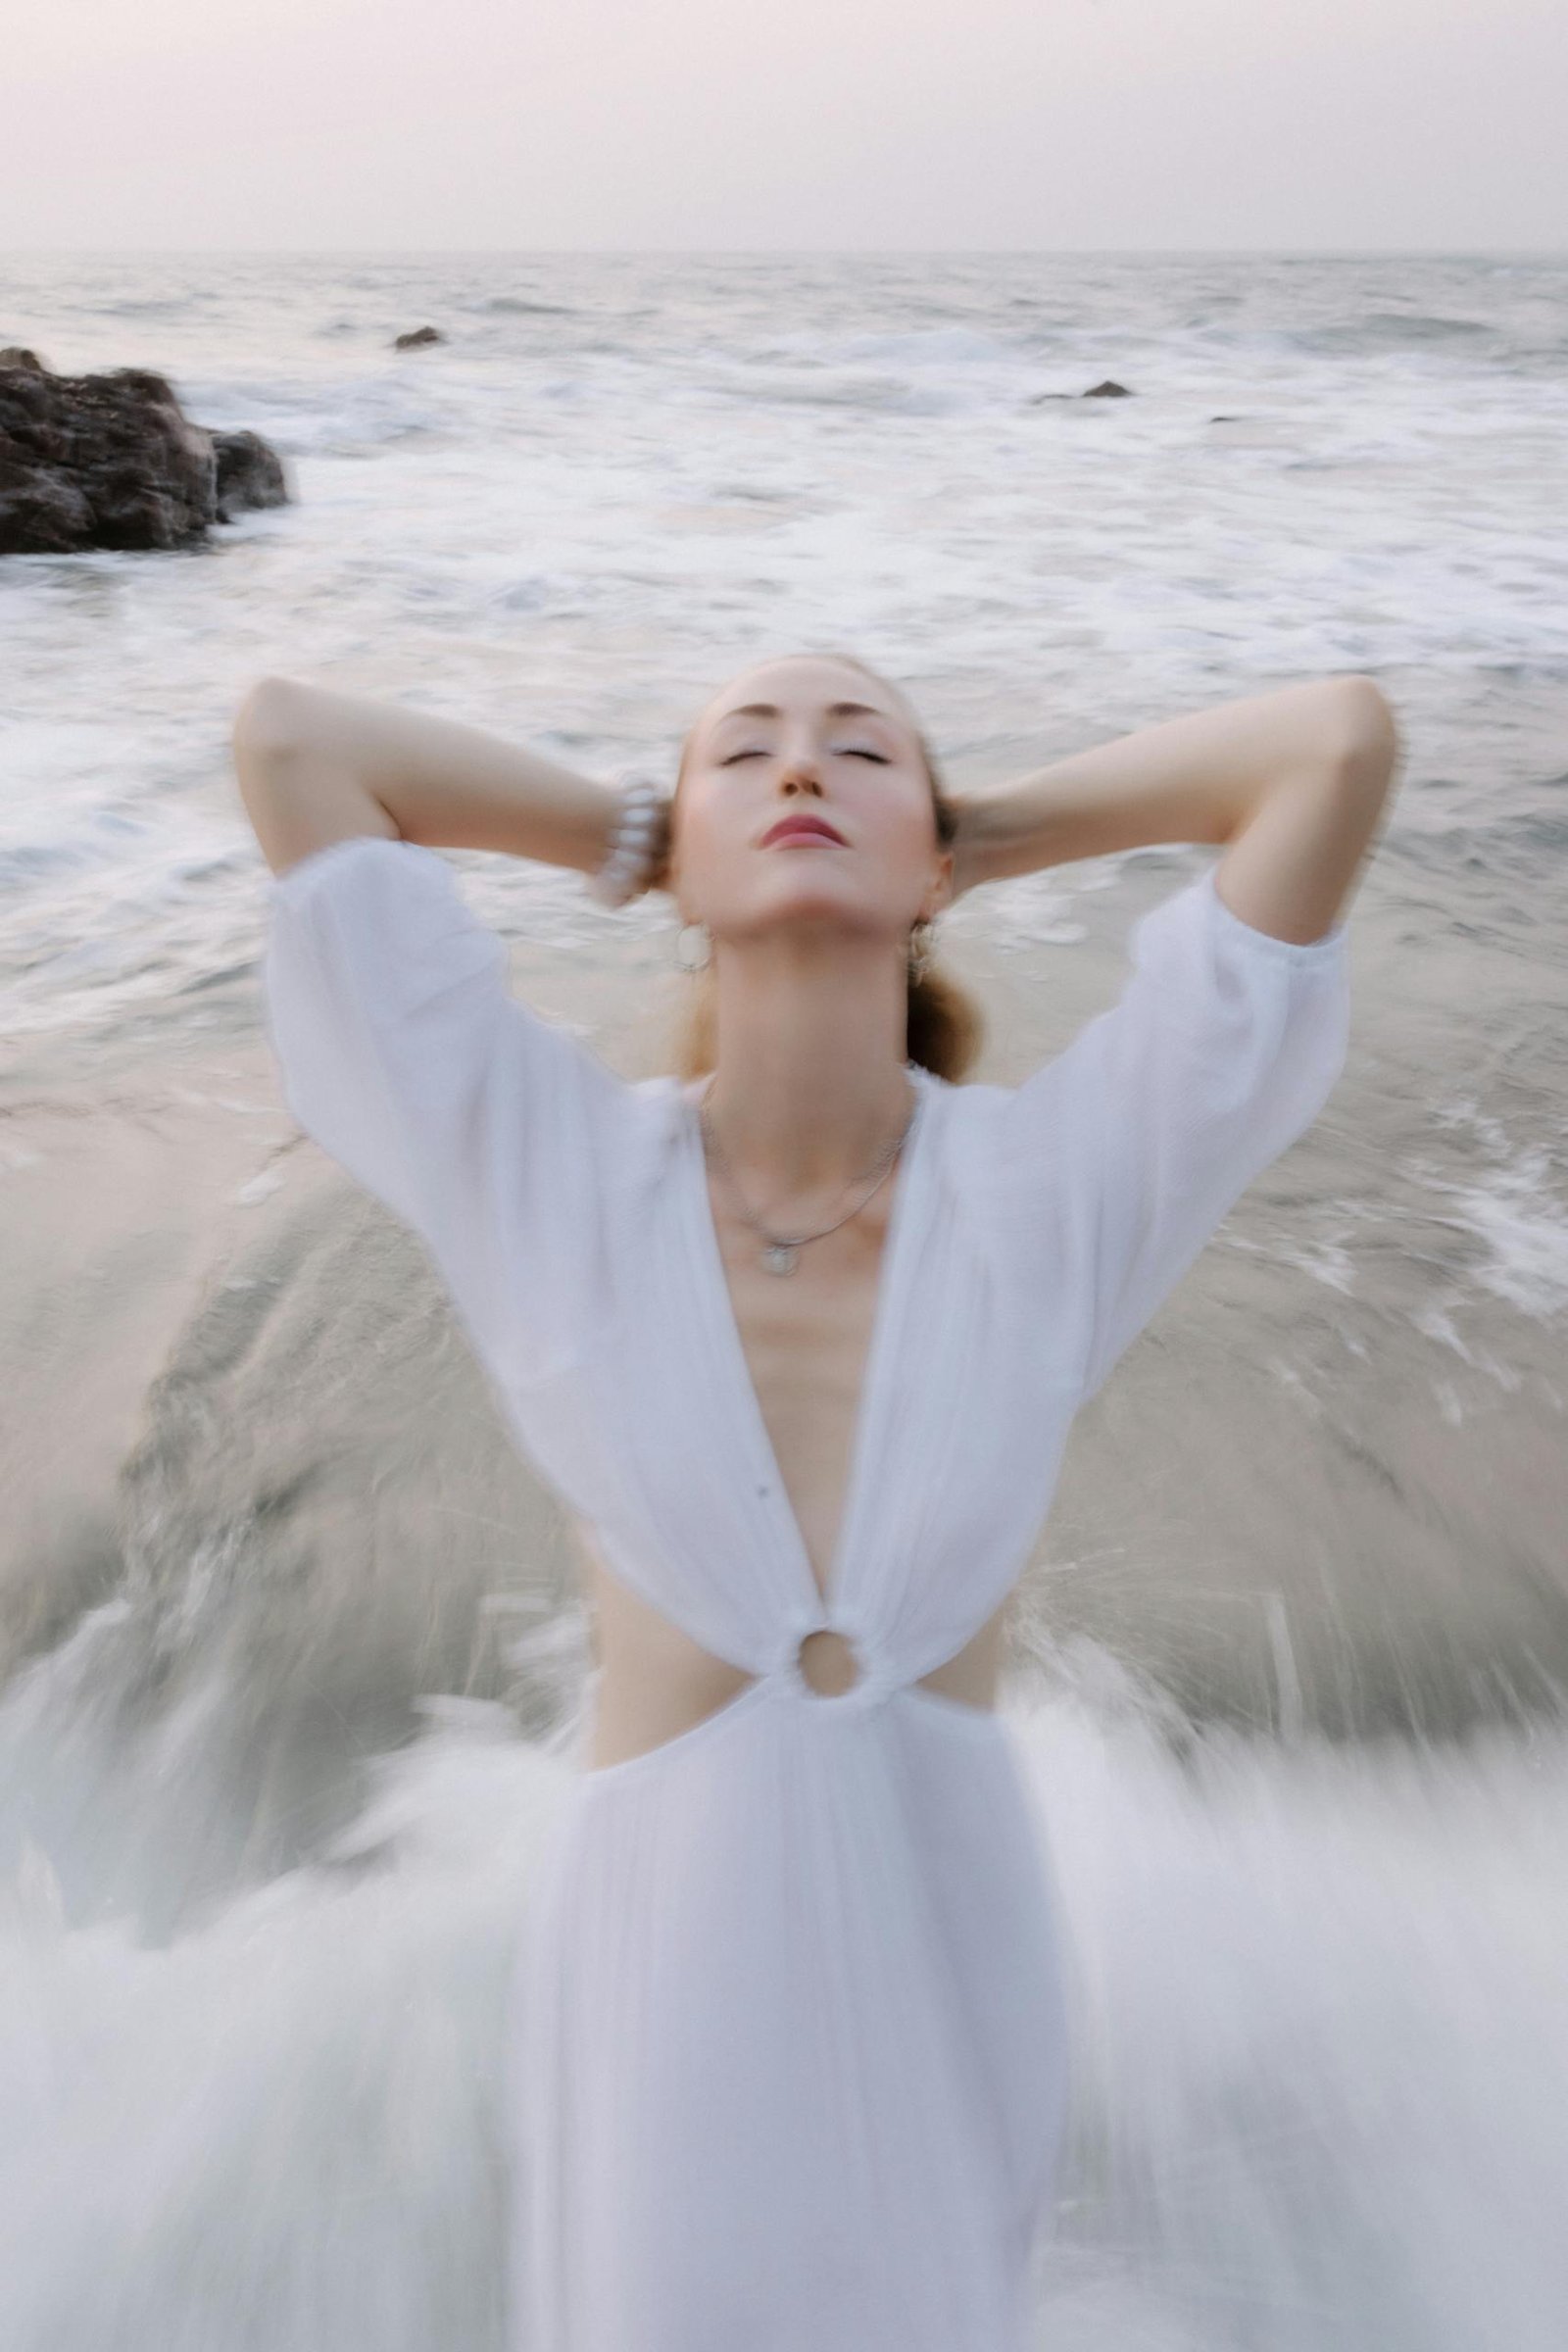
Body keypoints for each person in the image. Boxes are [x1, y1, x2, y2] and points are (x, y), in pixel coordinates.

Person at [234, 652, 1399, 2351]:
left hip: (950, 1951)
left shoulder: (1059, 1189)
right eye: (746, 756)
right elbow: (294, 739)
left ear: (930, 868)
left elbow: (1333, 744)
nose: (800, 773)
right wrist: (638, 835)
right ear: (681, 868)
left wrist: (978, 834)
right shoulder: (541, 1169)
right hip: (666, 1974)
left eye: (860, 751)